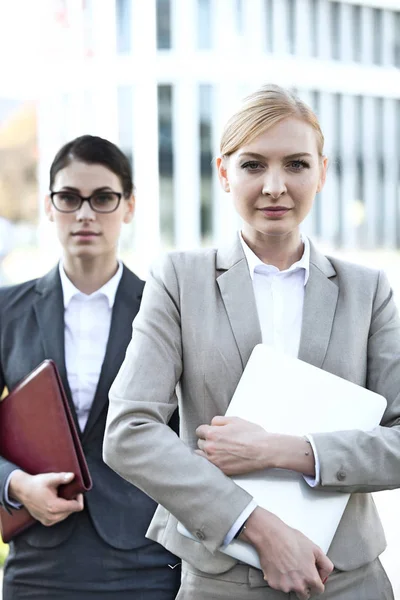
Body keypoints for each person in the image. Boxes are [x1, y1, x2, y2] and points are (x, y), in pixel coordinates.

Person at [103, 85, 399, 600]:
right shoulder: (179, 280)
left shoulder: (368, 291)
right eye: (254, 164)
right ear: (224, 172)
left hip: (349, 579)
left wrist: (285, 451)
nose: (275, 186)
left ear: (322, 172)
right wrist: (255, 525)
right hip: (221, 579)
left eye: (297, 165)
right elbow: (128, 430)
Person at [0, 135, 181, 600]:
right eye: (69, 198)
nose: (84, 214)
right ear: (49, 206)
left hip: (144, 560)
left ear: (129, 207)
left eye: (102, 198)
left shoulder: (165, 311)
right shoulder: (7, 310)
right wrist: (15, 485)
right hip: (37, 558)